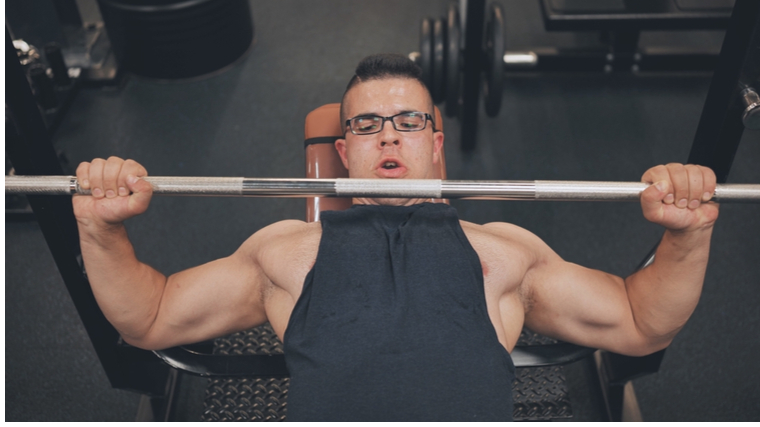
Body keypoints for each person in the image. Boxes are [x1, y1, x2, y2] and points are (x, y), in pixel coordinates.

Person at [73, 54, 719, 421]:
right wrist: (101, 229)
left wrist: (687, 237)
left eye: (408, 120)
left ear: (435, 146)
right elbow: (150, 317)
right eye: (368, 123)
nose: (388, 134)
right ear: (344, 146)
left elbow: (640, 320)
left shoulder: (501, 253)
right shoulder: (286, 253)